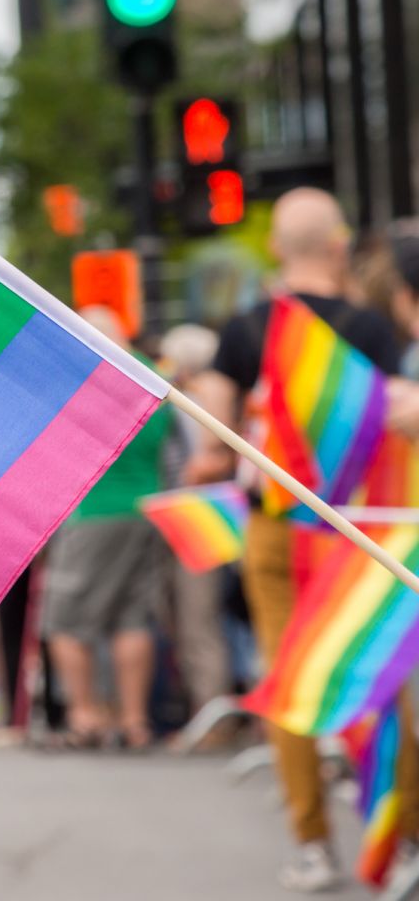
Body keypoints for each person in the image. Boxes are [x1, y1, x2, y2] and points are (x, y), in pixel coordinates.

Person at [188, 187, 419, 891]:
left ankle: (314, 844)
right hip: (360, 531)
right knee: (379, 675)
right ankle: (399, 838)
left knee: (287, 682)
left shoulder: (245, 330)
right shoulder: (374, 331)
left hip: (277, 530)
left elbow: (214, 444)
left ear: (277, 250)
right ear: (339, 246)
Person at [40, 307, 173, 751]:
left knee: (63, 618)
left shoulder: (90, 380)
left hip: (93, 511)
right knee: (132, 617)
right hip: (144, 508)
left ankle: (86, 715)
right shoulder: (152, 377)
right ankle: (134, 721)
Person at [157, 324, 236, 729]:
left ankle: (212, 720)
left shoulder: (203, 395)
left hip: (196, 515)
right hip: (195, 514)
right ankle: (206, 716)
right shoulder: (207, 393)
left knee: (198, 619)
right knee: (195, 619)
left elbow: (212, 459)